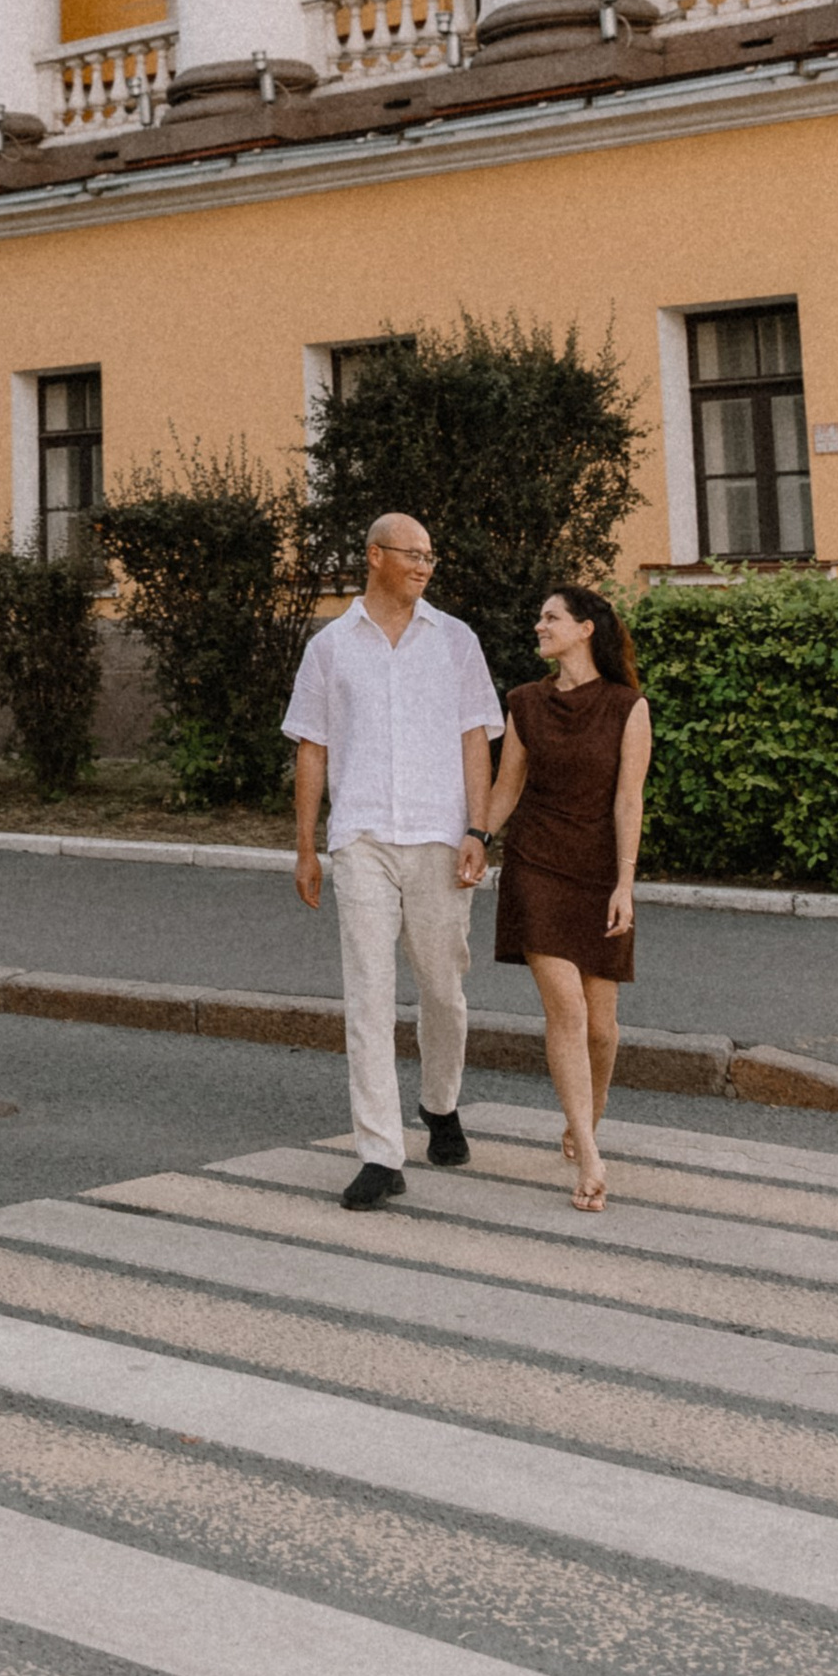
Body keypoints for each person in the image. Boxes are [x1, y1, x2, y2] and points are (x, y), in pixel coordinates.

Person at [284, 512, 501, 1211]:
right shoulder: (329, 647)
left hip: (441, 836)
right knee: (368, 995)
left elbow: (477, 738)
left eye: (431, 556)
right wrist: (307, 845)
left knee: (443, 987)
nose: (425, 565)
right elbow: (311, 746)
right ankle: (380, 1152)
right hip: (363, 838)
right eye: (413, 554)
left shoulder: (456, 641)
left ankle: (440, 1103)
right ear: (375, 555)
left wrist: (479, 827)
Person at [485, 587, 652, 1213]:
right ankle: (588, 1151)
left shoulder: (627, 706)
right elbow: (508, 784)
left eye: (550, 618)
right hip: (535, 866)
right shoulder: (525, 703)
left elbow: (628, 800)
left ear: (585, 629)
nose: (539, 626)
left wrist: (625, 883)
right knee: (568, 1014)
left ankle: (587, 1120)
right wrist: (479, 837)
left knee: (603, 1030)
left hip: (598, 872)